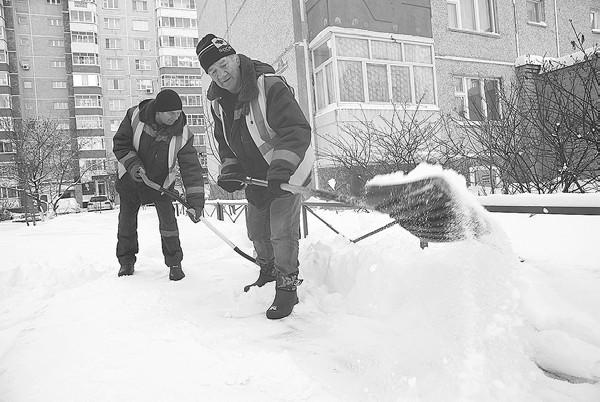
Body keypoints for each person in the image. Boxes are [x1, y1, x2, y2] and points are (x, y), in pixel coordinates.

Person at [196, 34, 314, 319]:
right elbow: (226, 142)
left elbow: (296, 130)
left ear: (235, 58)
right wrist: (231, 170)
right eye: (213, 71)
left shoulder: (269, 85)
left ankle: (287, 288)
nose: (221, 75)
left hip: (288, 170)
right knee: (258, 231)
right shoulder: (218, 103)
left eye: (224, 64)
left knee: (281, 232)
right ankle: (268, 272)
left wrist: (281, 168)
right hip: (257, 178)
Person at [113, 89, 205, 280]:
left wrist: (196, 202)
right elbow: (121, 143)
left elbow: (191, 169)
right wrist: (134, 165)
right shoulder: (134, 117)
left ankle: (174, 263)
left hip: (162, 184)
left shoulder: (183, 133)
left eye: (179, 113)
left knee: (169, 224)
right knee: (127, 223)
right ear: (159, 111)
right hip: (131, 180)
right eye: (171, 113)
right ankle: (126, 262)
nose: (176, 117)